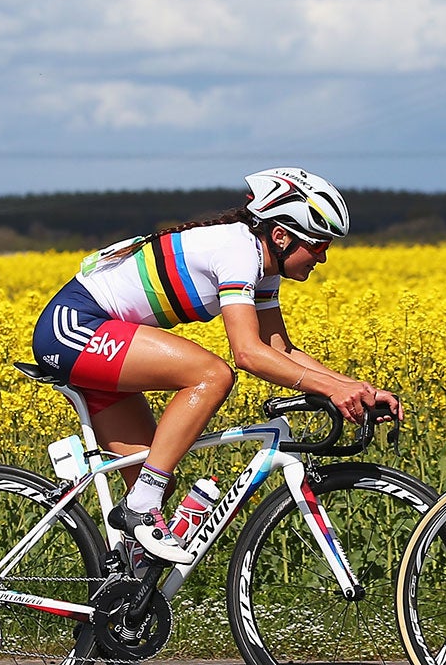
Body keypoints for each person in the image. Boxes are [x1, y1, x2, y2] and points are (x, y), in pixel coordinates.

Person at [30, 168, 400, 569]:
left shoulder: (262, 268)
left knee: (156, 477)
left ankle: (120, 601)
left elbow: (281, 350)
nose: (324, 256)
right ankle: (140, 509)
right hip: (73, 329)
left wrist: (355, 387)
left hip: (103, 341)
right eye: (319, 244)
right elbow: (248, 354)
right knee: (212, 374)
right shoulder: (237, 251)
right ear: (281, 236)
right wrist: (330, 390)